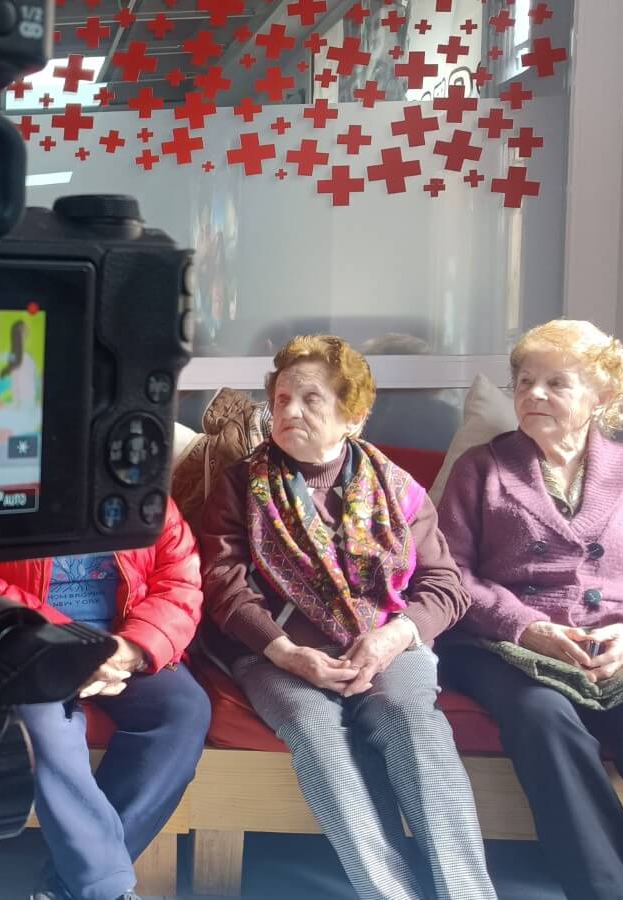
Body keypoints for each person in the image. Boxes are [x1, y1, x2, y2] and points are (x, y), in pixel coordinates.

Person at [197, 335, 495, 900]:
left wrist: (392, 638)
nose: (290, 411)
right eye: (281, 399)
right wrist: (286, 652)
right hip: (275, 652)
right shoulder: (241, 485)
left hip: (386, 644)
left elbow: (445, 587)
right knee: (311, 728)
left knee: (409, 719)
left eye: (311, 399)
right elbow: (223, 585)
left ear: (353, 416)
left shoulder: (398, 489)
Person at [437, 319, 623, 899]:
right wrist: (527, 627)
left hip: (615, 648)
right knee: (543, 716)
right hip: (500, 644)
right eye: (525, 381)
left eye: (556, 383)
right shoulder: (482, 467)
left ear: (601, 394)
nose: (534, 394)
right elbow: (451, 574)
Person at [0, 500, 209, 900]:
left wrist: (134, 648)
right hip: (33, 644)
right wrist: (68, 645)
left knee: (184, 711)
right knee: (40, 724)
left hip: (125, 643)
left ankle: (70, 883)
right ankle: (104, 888)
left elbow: (179, 582)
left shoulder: (143, 493)